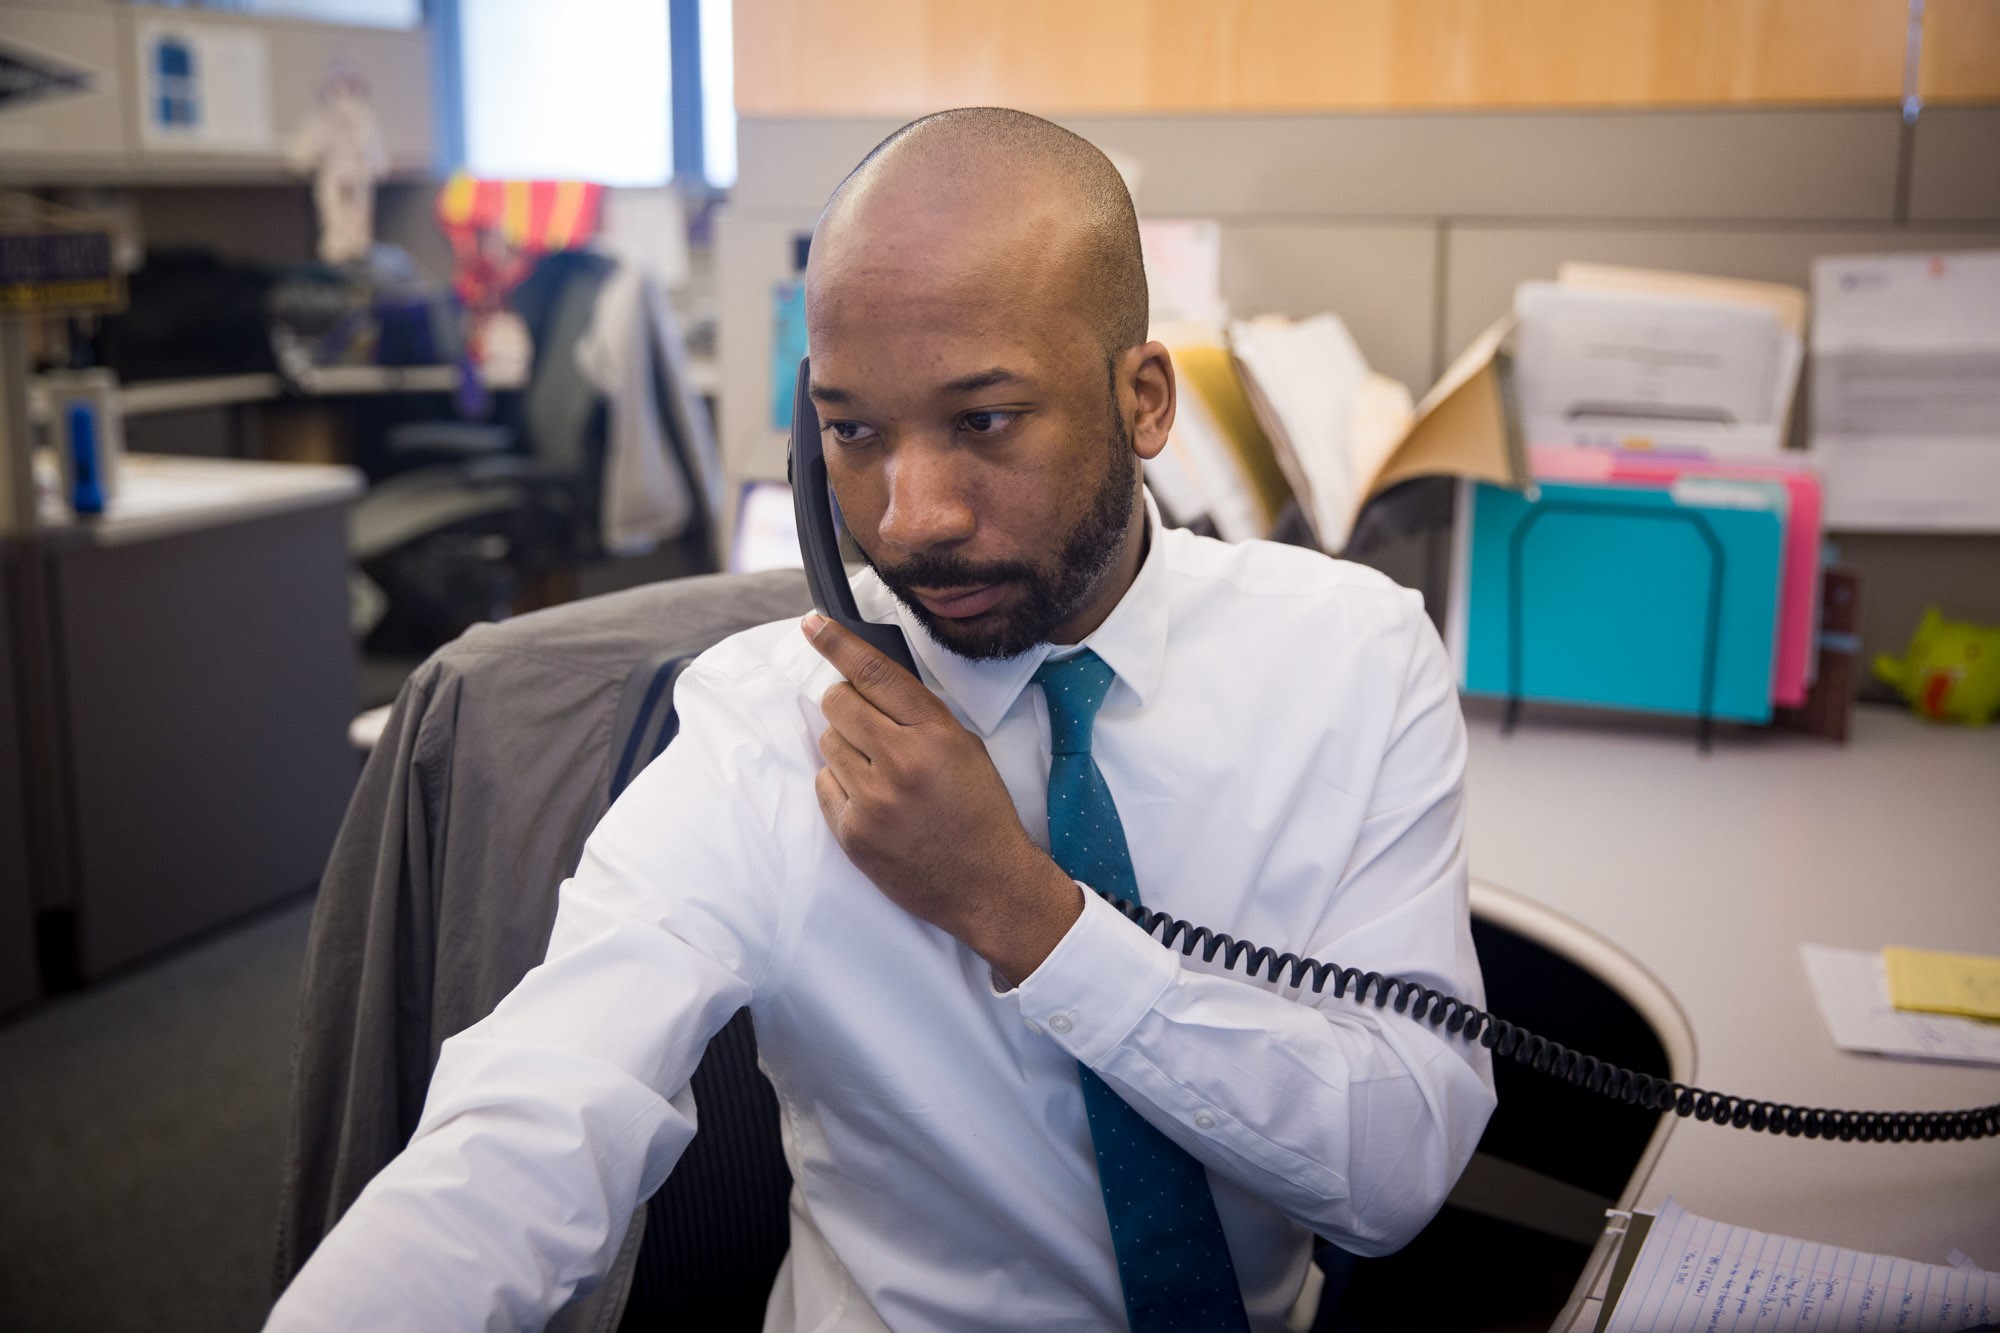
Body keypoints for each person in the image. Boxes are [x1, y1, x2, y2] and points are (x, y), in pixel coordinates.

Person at [267, 107, 1495, 1332]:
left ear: (1144, 402)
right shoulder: (774, 721)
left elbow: (1394, 1172)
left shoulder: (1355, 655)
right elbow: (530, 1121)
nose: (909, 519)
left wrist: (1020, 912)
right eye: (852, 432)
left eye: (982, 421)